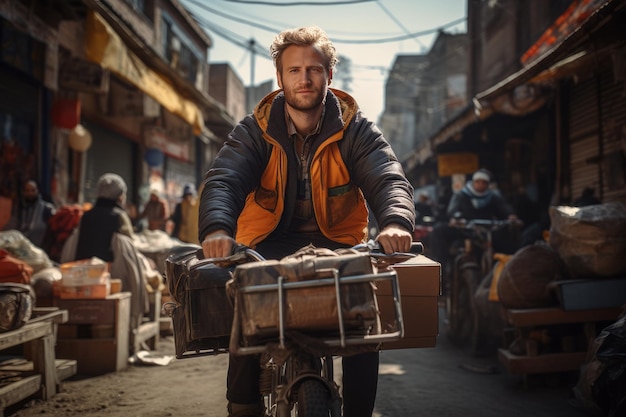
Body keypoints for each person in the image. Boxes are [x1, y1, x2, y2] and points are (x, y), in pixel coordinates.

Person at [198, 26, 415, 417]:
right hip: (267, 244)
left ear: (329, 76)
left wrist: (395, 222)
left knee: (364, 325)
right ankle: (242, 406)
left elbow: (387, 177)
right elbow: (225, 179)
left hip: (337, 246)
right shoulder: (254, 131)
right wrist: (217, 229)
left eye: (314, 69)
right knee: (245, 313)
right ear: (279, 78)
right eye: (294, 70)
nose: (304, 78)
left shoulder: (356, 129)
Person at [430, 168, 519, 265]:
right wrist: (456, 218)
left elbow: (503, 207)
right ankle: (441, 266)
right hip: (465, 228)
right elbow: (453, 209)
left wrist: (511, 215)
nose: (480, 185)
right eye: (478, 182)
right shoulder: (462, 195)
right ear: (473, 182)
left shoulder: (493, 196)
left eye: (484, 182)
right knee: (439, 230)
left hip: (487, 230)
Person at [73, 173, 134, 262]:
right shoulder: (120, 217)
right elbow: (129, 248)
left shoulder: (86, 216)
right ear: (120, 197)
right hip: (109, 272)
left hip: (82, 269)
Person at [3, 179, 56, 247]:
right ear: (24, 192)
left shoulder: (47, 209)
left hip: (40, 248)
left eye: (33, 190)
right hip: (22, 246)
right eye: (27, 190)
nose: (30, 193)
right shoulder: (20, 209)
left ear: (38, 191)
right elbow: (12, 224)